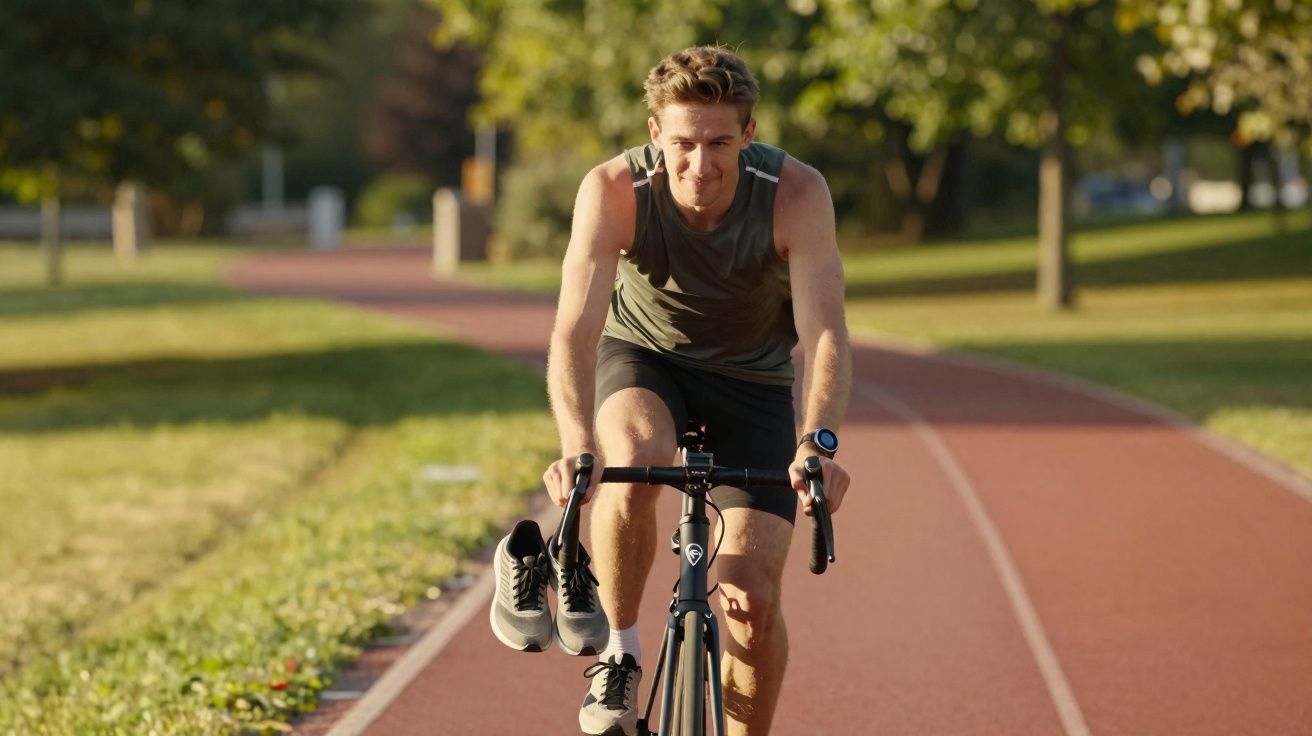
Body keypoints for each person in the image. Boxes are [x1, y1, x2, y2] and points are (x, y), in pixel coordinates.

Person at [497, 45, 852, 736]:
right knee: (635, 455)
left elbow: (827, 332)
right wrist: (576, 447)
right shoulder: (612, 190)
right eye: (683, 143)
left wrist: (819, 442)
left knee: (750, 599)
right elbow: (573, 331)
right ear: (655, 133)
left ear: (749, 134)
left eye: (720, 142)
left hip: (754, 383)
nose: (700, 164)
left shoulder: (797, 195)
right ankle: (620, 654)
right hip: (645, 360)